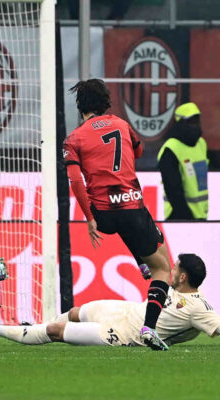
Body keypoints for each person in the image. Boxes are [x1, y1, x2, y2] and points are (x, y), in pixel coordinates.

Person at [62, 79, 172, 350]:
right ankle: (149, 327)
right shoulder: (122, 125)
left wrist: (89, 218)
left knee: (124, 223)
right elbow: (138, 150)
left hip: (103, 214)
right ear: (106, 103)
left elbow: (75, 181)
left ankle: (140, 262)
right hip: (132, 206)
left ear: (80, 106)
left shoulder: (74, 138)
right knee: (164, 268)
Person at [0, 254, 220, 348]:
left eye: (176, 267)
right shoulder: (173, 288)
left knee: (54, 332)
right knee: (73, 312)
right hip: (123, 309)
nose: (171, 269)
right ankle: (31, 327)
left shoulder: (198, 309)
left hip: (122, 334)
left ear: (183, 277)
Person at [158, 102, 209, 220]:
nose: (195, 125)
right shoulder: (170, 149)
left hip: (201, 214)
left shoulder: (201, 144)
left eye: (197, 121)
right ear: (180, 124)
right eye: (191, 122)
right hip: (179, 216)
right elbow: (172, 188)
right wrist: (185, 216)